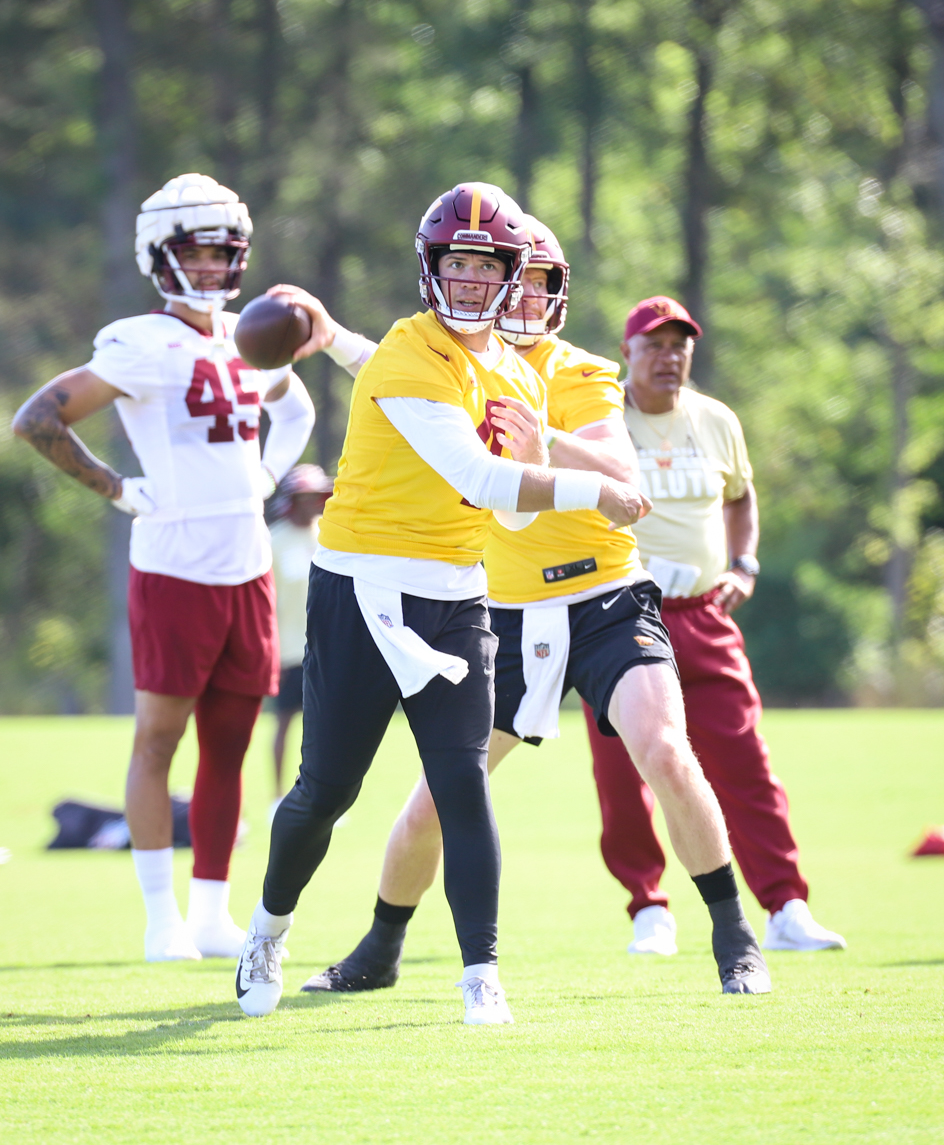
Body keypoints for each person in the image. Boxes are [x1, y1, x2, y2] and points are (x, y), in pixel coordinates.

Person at [297, 218, 773, 1000]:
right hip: (509, 614)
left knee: (663, 748)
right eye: (521, 279)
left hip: (606, 598)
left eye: (544, 282)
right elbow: (391, 374)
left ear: (555, 293)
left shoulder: (577, 369)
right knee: (434, 803)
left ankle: (734, 935)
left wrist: (539, 436)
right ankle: (380, 947)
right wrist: (333, 333)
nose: (527, 295)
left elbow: (621, 465)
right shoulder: (455, 363)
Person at [234, 183, 647, 1025]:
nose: (465, 279)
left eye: (482, 263)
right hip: (364, 590)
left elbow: (513, 508)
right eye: (453, 262)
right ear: (432, 268)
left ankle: (480, 973)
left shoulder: (510, 373)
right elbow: (479, 476)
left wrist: (555, 478)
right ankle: (268, 929)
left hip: (456, 596)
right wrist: (594, 491)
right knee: (327, 789)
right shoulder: (404, 350)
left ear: (509, 272)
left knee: (461, 781)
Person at [13, 173, 315, 962]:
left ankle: (212, 911)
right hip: (174, 562)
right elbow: (37, 417)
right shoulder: (140, 342)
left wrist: (267, 472)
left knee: (231, 743)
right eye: (197, 251)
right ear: (160, 255)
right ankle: (160, 918)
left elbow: (298, 408)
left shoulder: (246, 336)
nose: (214, 267)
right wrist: (116, 488)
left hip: (246, 564)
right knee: (159, 738)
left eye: (225, 253)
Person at [584, 295, 846, 956]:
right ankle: (649, 906)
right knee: (622, 770)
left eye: (680, 346)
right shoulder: (601, 421)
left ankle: (786, 905)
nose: (668, 357)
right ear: (628, 352)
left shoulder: (716, 419)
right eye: (655, 345)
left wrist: (744, 564)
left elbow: (741, 495)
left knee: (745, 763)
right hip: (620, 614)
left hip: (704, 613)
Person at [266, 463, 333, 807]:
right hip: (288, 649)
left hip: (328, 648)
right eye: (305, 497)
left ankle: (323, 797)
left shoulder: (330, 533)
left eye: (317, 496)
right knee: (285, 722)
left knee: (327, 726)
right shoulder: (273, 541)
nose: (312, 503)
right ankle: (279, 797)